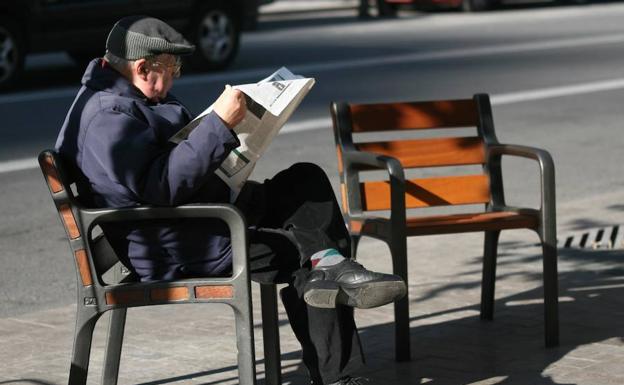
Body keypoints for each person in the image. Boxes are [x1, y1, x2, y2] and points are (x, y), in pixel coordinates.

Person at [55, 16, 406, 385]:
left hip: (199, 216)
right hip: (178, 242)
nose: (175, 78)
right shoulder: (108, 117)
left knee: (306, 180)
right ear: (142, 67)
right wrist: (219, 126)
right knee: (305, 253)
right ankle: (340, 366)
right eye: (172, 68)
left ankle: (333, 267)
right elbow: (161, 188)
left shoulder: (128, 98)